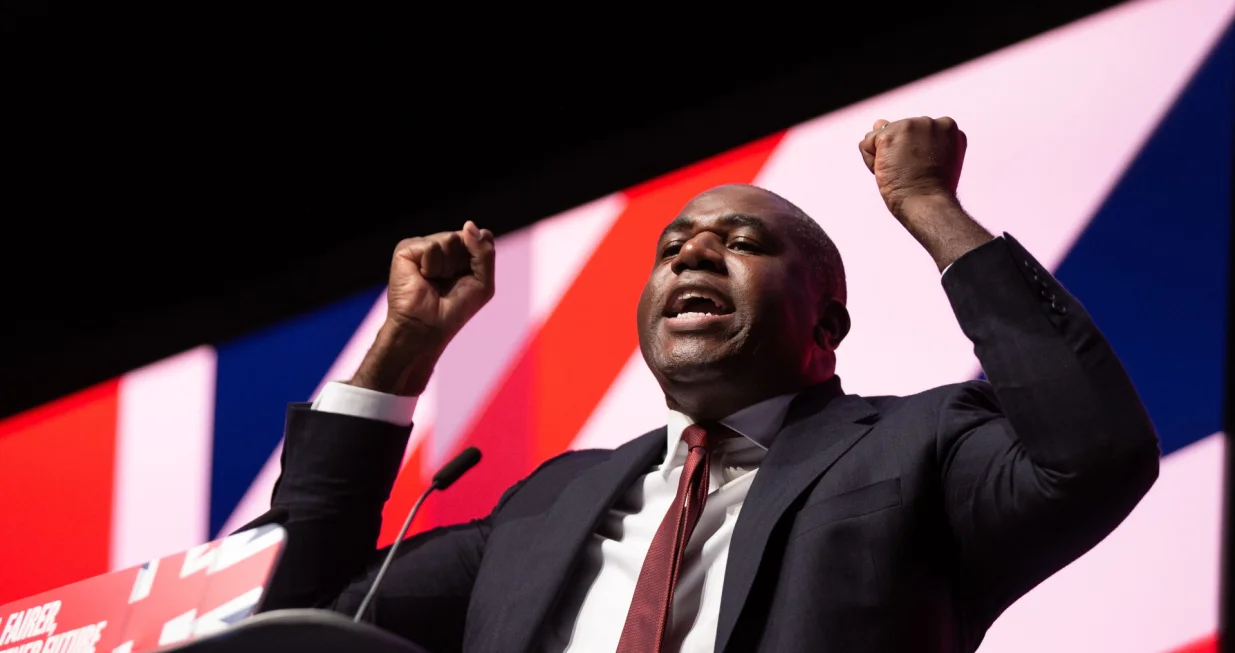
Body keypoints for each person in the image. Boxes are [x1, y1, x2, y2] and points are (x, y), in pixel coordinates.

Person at [257, 117, 1160, 653]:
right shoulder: (549, 501)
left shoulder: (915, 444)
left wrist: (928, 205)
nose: (692, 249)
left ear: (826, 323)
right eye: (672, 247)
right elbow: (295, 611)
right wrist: (405, 345)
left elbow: (1094, 454)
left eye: (742, 241)